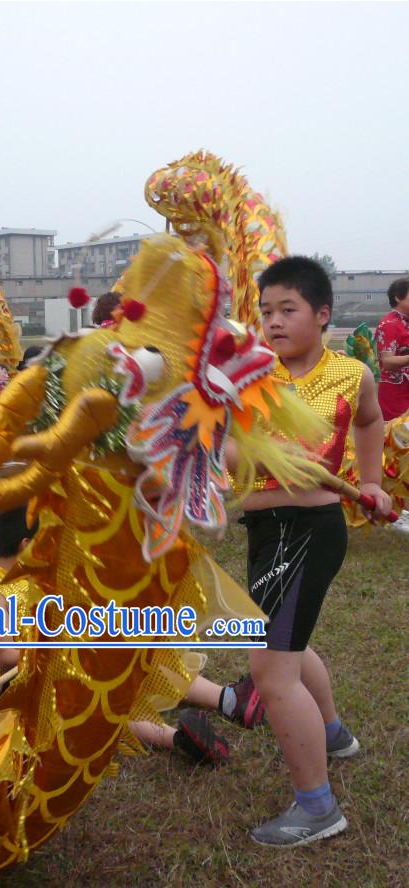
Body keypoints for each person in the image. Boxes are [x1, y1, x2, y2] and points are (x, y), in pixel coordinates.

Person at [233, 256, 392, 846]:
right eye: (266, 311)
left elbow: (371, 422)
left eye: (287, 310)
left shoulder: (351, 375)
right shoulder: (250, 375)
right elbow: (224, 445)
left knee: (272, 673)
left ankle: (318, 809)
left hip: (308, 532)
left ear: (322, 315)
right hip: (264, 530)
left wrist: (370, 481)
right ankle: (332, 734)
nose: (273, 322)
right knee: (293, 646)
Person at [0, 507, 265, 767]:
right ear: (26, 545)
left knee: (137, 652)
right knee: (91, 704)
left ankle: (228, 700)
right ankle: (179, 740)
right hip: (28, 684)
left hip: (65, 659)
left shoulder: (43, 577)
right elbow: (6, 657)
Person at [374, 277, 409, 420]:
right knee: (398, 437)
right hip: (395, 393)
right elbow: (387, 361)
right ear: (398, 298)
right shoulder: (389, 324)